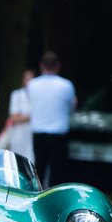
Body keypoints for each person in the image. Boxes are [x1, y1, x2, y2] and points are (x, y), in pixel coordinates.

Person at [27, 51, 76, 187]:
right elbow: (71, 107)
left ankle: (37, 197)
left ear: (41, 66)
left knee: (39, 170)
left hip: (38, 132)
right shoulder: (66, 85)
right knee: (57, 172)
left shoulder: (32, 85)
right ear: (58, 66)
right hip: (58, 134)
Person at [0, 69, 35, 162]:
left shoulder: (37, 96)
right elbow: (14, 117)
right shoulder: (17, 94)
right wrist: (31, 116)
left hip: (32, 135)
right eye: (27, 79)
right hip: (18, 134)